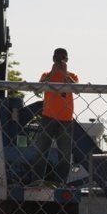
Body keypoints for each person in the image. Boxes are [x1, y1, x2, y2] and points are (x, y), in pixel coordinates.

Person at [34, 47, 78, 186]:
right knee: (41, 151)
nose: (60, 60)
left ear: (67, 60)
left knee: (65, 155)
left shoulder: (73, 76)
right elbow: (39, 87)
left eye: (62, 58)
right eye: (57, 58)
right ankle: (37, 180)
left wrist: (65, 74)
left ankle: (60, 183)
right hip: (48, 117)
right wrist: (53, 72)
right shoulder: (47, 74)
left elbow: (76, 88)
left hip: (65, 120)